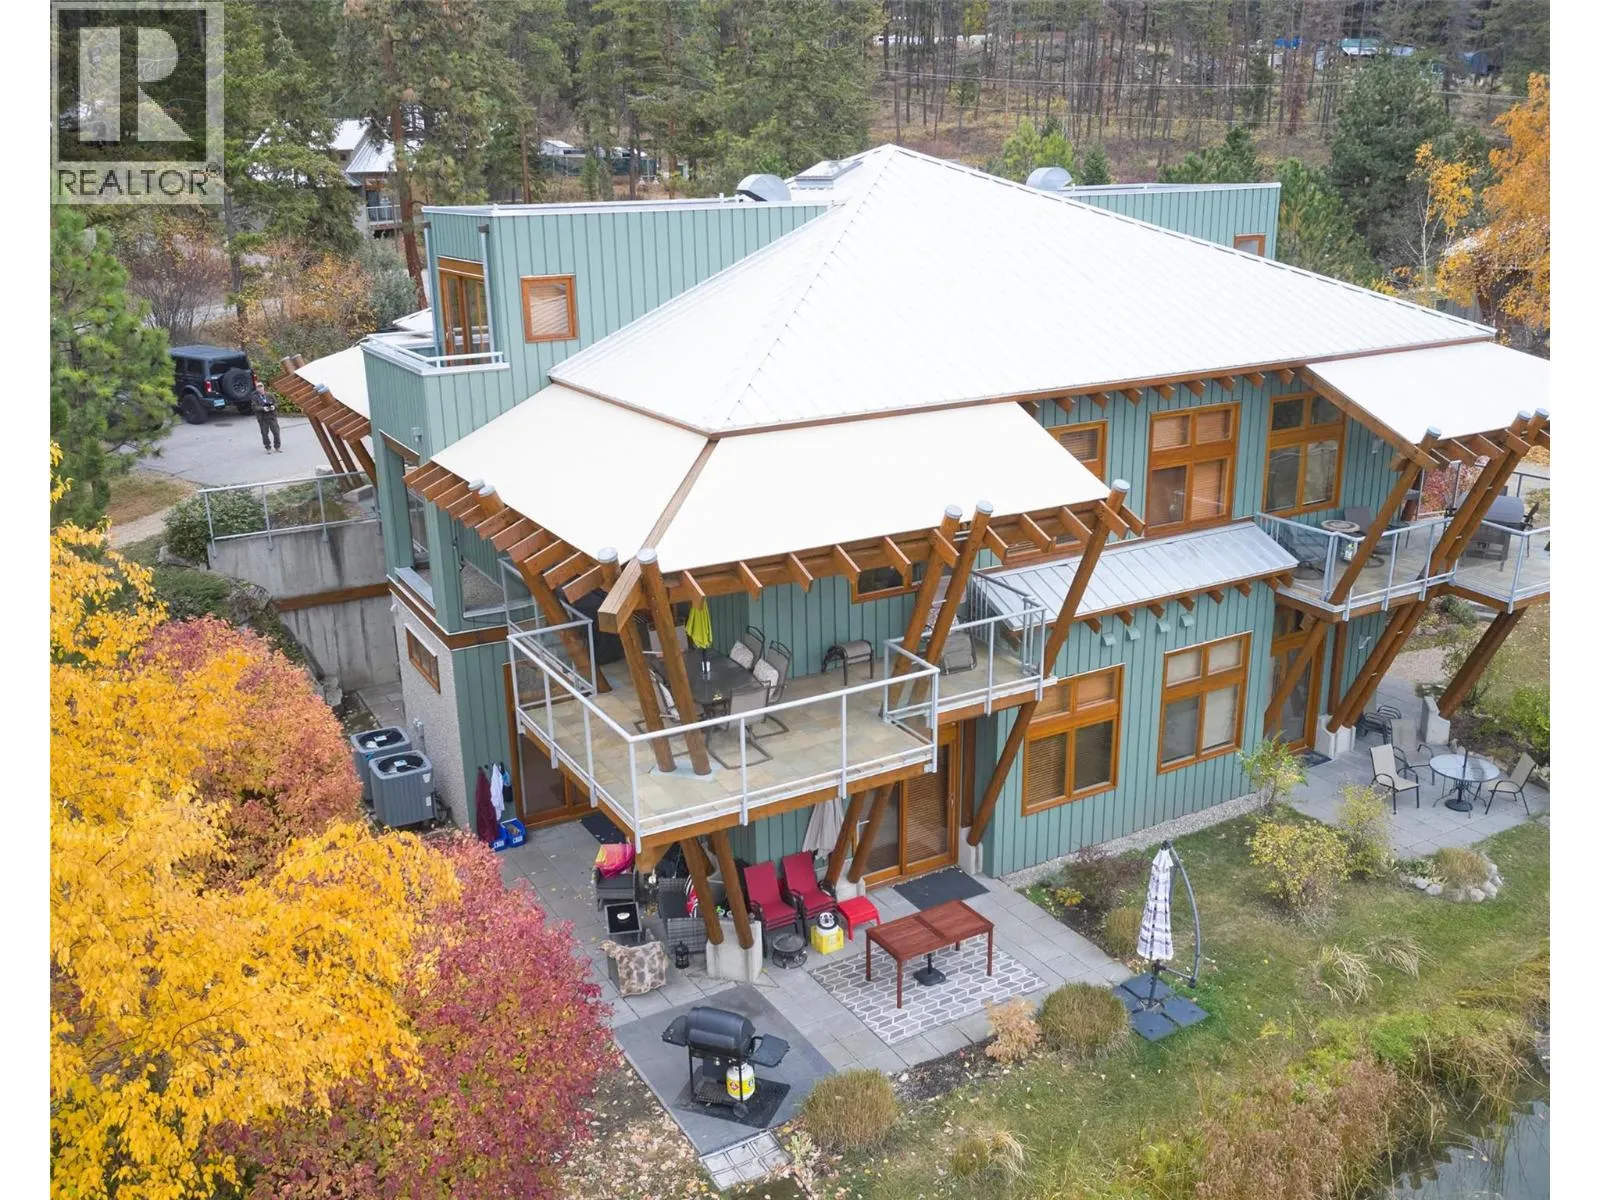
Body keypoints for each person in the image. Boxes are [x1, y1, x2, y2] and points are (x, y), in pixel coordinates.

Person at [252, 387, 282, 453]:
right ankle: (268, 447)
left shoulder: (270, 395)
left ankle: (277, 447)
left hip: (272, 417)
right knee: (264, 433)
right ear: (257, 389)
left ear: (263, 387)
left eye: (261, 387)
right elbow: (254, 407)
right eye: (258, 387)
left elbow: (277, 403)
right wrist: (263, 408)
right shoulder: (255, 398)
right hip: (262, 418)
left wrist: (274, 406)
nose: (260, 388)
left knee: (276, 432)